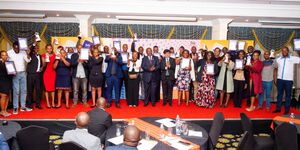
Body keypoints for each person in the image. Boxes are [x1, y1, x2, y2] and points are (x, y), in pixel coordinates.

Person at [273, 47, 300, 114]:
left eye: (285, 50)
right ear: (281, 52)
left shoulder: (292, 58)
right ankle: (278, 109)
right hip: (280, 80)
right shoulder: (278, 59)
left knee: (288, 95)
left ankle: (287, 110)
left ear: (288, 51)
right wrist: (274, 58)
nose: (284, 51)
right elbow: (275, 67)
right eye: (283, 50)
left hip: (289, 81)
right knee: (279, 95)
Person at [7, 41, 32, 114]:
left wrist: (27, 53)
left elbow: (28, 60)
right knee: (16, 91)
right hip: (15, 74)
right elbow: (7, 63)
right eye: (15, 48)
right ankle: (15, 107)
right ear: (13, 46)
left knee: (24, 90)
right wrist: (12, 71)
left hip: (23, 73)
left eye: (18, 48)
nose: (17, 49)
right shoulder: (9, 53)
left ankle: (23, 107)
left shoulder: (23, 52)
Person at [26, 42, 43, 109]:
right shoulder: (30, 54)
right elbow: (31, 48)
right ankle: (30, 104)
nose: (36, 49)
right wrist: (35, 42)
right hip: (31, 75)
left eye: (37, 48)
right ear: (33, 49)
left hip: (38, 75)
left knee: (38, 90)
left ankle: (38, 104)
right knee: (30, 90)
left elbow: (40, 65)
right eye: (35, 48)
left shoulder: (40, 55)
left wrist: (41, 68)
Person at [41, 44, 56, 108]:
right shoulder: (43, 55)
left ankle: (52, 102)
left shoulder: (55, 55)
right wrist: (46, 58)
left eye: (50, 48)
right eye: (48, 48)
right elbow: (44, 65)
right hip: (46, 73)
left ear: (52, 49)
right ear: (46, 49)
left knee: (52, 89)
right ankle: (47, 103)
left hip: (53, 73)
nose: (49, 49)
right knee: (46, 89)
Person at [0, 51, 12, 117]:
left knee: (7, 96)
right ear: (0, 56)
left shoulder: (9, 63)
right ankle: (2, 111)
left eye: (6, 55)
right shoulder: (0, 63)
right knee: (3, 96)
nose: (5, 56)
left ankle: (5, 110)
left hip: (8, 81)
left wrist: (14, 73)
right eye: (3, 55)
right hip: (2, 81)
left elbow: (10, 72)